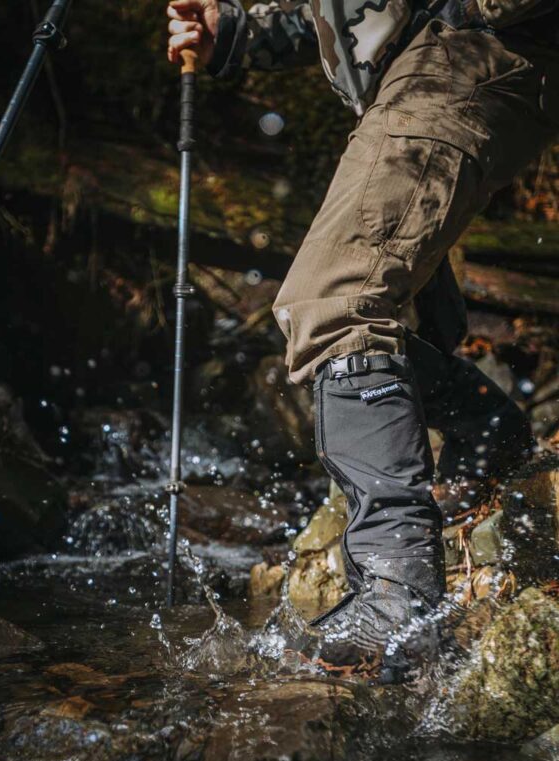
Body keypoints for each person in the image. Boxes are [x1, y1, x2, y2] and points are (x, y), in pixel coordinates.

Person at [166, 0, 559, 681]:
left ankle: (398, 598)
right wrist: (231, 29)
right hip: (433, 65)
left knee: (336, 302)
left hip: (471, 52)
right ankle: (488, 443)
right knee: (394, 314)